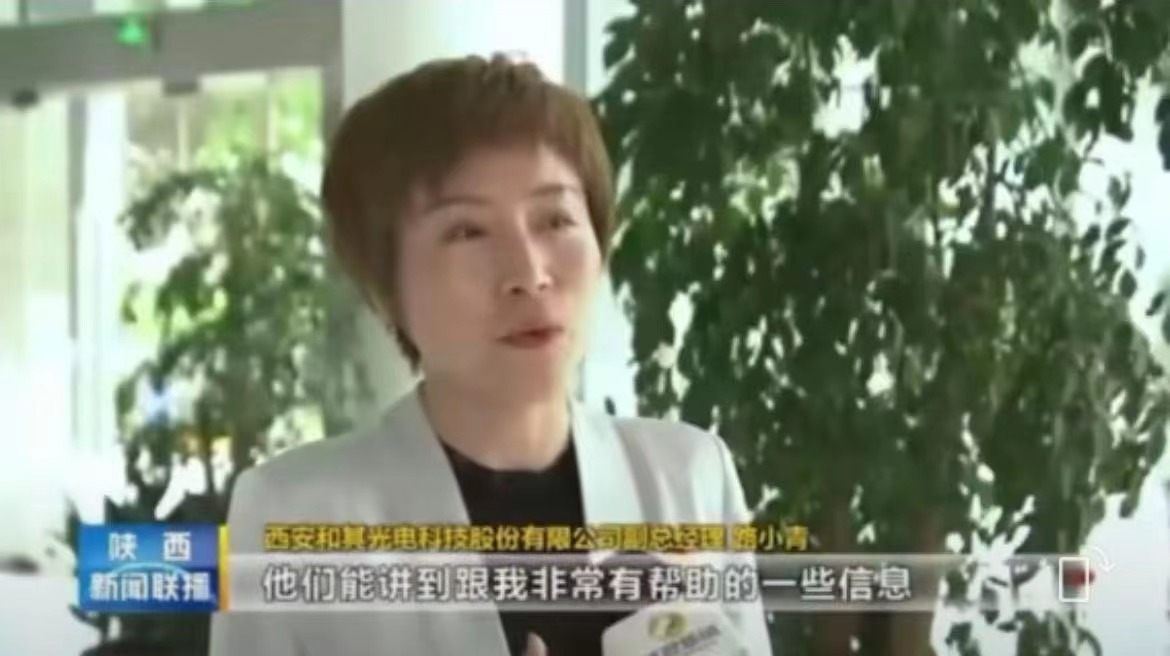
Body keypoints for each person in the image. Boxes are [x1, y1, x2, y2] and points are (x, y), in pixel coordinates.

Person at [209, 54, 772, 656]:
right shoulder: (291, 514)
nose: (529, 274)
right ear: (385, 286)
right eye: (467, 232)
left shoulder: (690, 477)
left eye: (555, 219)